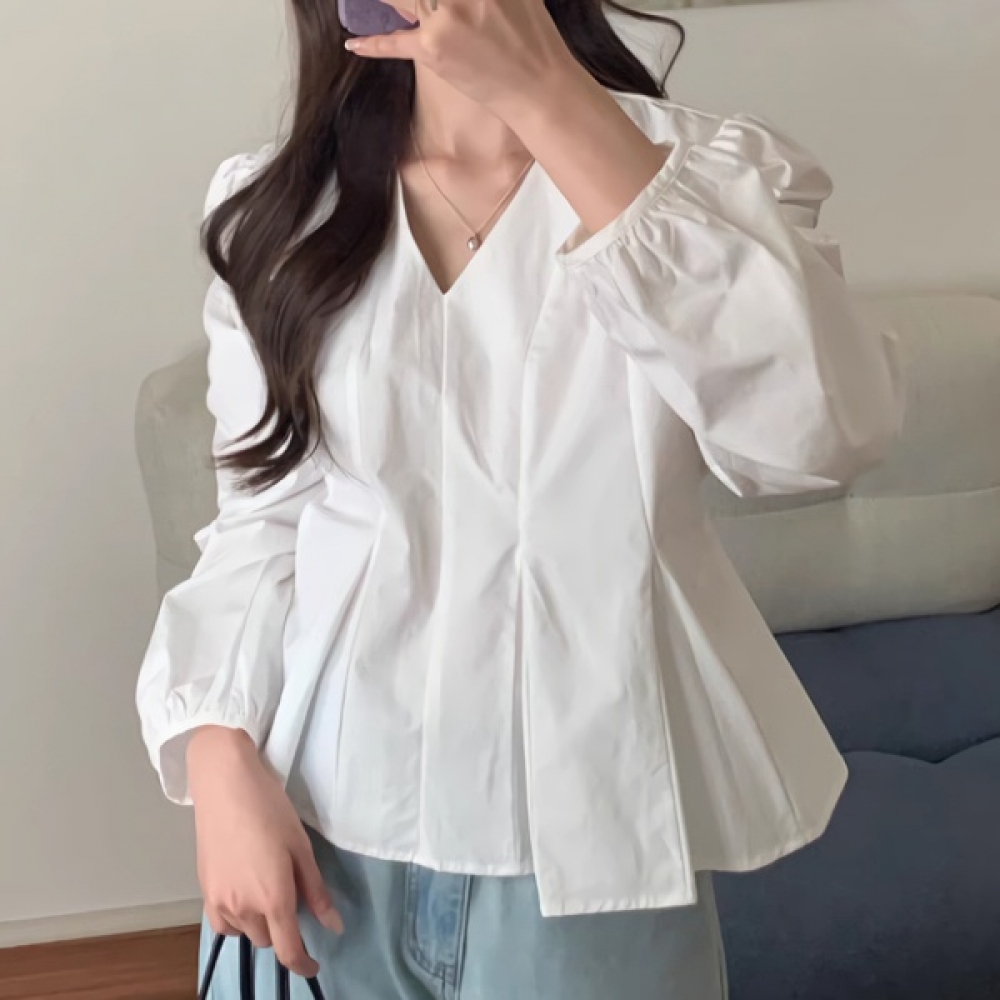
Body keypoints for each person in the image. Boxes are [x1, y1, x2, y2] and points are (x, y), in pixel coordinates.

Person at [136, 0, 904, 996]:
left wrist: (548, 97)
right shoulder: (282, 209)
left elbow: (817, 436)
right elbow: (262, 520)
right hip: (318, 834)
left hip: (592, 856)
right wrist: (218, 754)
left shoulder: (705, 178)